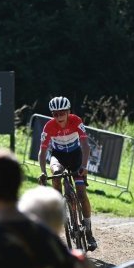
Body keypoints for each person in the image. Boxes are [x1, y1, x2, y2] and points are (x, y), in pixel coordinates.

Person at [39, 96, 97, 252]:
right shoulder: (49, 126)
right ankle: (59, 204)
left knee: (82, 194)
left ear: (68, 112)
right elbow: (42, 151)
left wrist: (84, 166)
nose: (59, 117)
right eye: (55, 114)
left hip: (76, 157)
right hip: (58, 156)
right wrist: (43, 172)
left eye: (62, 113)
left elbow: (85, 146)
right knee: (56, 173)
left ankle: (88, 230)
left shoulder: (76, 121)